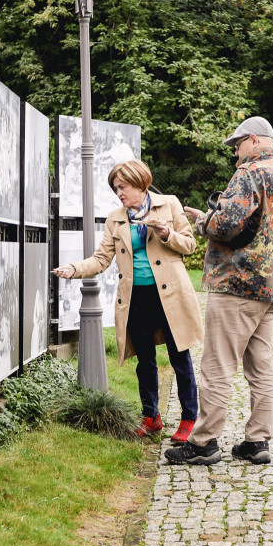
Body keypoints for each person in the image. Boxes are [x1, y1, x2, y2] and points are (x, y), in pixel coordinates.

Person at [164, 116, 273, 466]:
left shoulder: (249, 174)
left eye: (237, 146)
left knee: (218, 365)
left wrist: (202, 221)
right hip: (269, 287)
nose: (235, 154)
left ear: (253, 140)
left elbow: (224, 225)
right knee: (261, 367)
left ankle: (204, 442)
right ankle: (257, 440)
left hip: (236, 286)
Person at [53, 160, 203, 442]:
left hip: (170, 296)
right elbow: (101, 259)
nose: (118, 193)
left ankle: (189, 419)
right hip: (136, 298)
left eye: (122, 187)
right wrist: (74, 269)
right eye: (115, 188)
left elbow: (190, 245)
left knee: (179, 357)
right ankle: (151, 417)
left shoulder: (168, 204)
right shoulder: (115, 218)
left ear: (139, 182)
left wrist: (167, 234)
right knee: (144, 360)